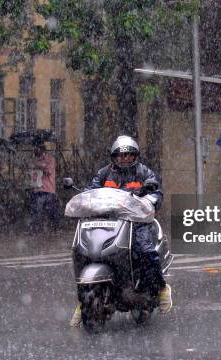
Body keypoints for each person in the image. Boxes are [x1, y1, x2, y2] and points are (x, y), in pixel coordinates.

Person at [69, 135, 172, 327]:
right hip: (107, 220)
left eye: (128, 155)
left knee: (145, 252)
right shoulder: (104, 174)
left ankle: (161, 289)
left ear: (135, 156)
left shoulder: (143, 172)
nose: (124, 158)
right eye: (120, 155)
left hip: (136, 222)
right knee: (82, 250)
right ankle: (83, 301)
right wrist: (82, 196)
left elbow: (156, 192)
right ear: (114, 157)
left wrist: (149, 198)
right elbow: (91, 190)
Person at [29, 142, 59, 233]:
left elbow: (48, 171)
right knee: (36, 210)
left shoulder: (50, 159)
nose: (34, 151)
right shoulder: (35, 160)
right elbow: (32, 171)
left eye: (36, 149)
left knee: (51, 211)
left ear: (41, 150)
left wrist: (38, 166)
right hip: (38, 189)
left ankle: (55, 228)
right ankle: (35, 230)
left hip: (48, 189)